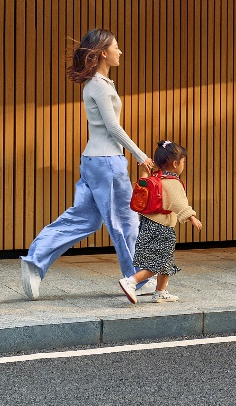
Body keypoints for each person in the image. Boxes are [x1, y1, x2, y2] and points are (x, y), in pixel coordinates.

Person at [21, 29, 157, 300]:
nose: (120, 51)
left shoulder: (97, 83)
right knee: (125, 221)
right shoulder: (99, 85)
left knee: (85, 218)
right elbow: (113, 128)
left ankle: (35, 261)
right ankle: (137, 280)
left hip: (94, 161)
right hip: (107, 162)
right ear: (103, 53)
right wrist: (140, 155)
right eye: (116, 47)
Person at [118, 140, 202, 304]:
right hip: (162, 228)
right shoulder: (173, 183)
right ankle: (131, 282)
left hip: (147, 225)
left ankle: (160, 292)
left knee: (165, 261)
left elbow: (141, 190)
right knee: (157, 263)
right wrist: (192, 217)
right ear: (175, 164)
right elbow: (179, 204)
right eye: (183, 162)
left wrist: (144, 172)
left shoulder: (154, 178)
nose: (183, 165)